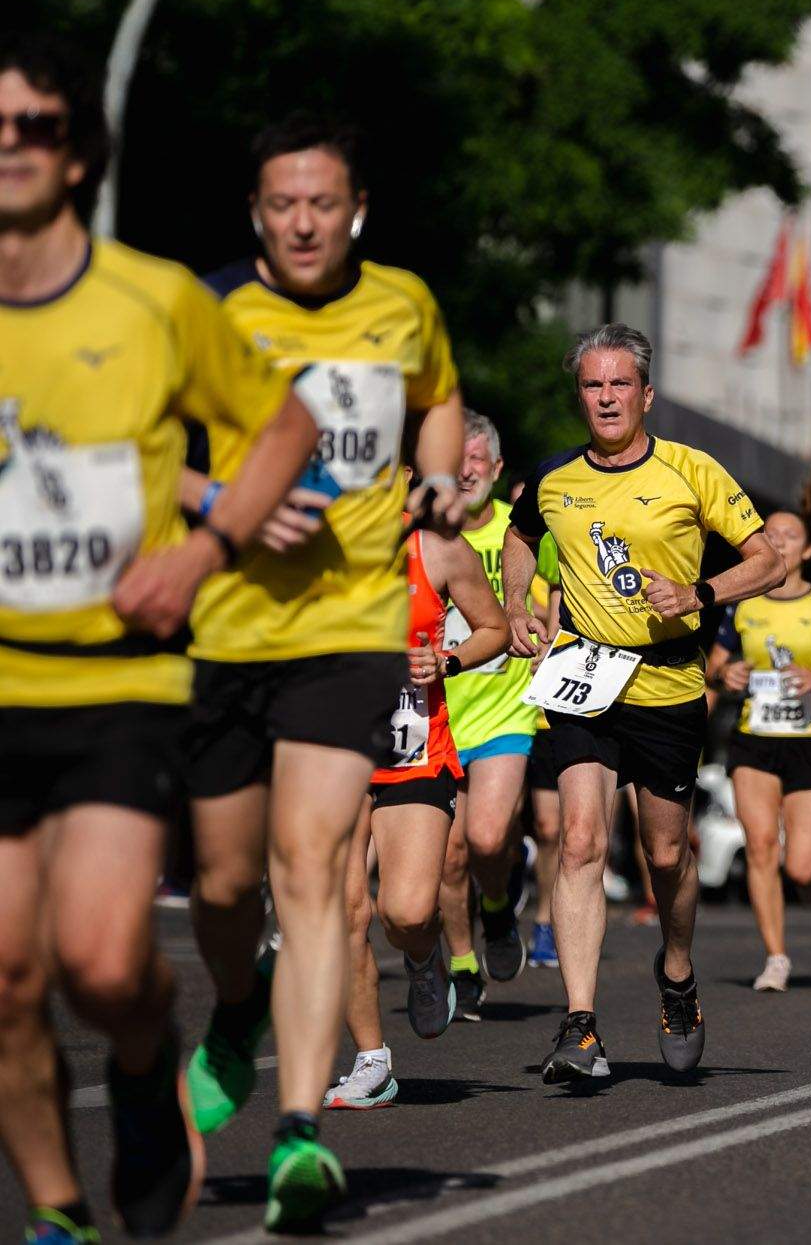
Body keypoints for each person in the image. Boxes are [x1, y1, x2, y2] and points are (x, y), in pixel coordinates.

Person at [0, 34, 315, 1245]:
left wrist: (201, 550)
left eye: (37, 125)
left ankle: (145, 1048)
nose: (15, 145)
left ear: (77, 153)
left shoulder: (153, 299)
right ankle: (57, 1211)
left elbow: (281, 428)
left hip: (116, 684)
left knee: (91, 958)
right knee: (7, 982)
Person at [182, 114, 466, 1230]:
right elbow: (143, 443)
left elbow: (438, 396)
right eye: (282, 204)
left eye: (324, 204)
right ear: (257, 213)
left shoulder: (401, 304)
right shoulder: (209, 311)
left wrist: (439, 480)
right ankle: (234, 1003)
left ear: (355, 212)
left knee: (312, 872)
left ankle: (299, 1131)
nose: (304, 222)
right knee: (220, 885)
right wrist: (227, 503)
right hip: (230, 625)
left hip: (352, 625)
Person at [502, 322, 783, 1083]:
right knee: (583, 839)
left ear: (647, 394)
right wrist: (518, 602)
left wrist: (699, 591)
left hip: (667, 682)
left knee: (666, 853)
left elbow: (767, 557)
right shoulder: (555, 476)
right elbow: (520, 535)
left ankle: (679, 974)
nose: (606, 397)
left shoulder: (692, 469)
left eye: (619, 383)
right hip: (584, 678)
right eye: (593, 385)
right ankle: (581, 1025)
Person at [327, 519, 507, 1110]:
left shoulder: (438, 550)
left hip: (413, 756)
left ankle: (424, 955)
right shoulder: (312, 539)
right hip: (334, 753)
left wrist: (447, 661)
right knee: (344, 911)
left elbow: (494, 628)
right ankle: (372, 1060)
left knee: (403, 912)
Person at [708, 478, 811, 991]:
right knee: (761, 845)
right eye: (770, 533)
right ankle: (775, 958)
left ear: (808, 549)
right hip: (755, 736)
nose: (779, 540)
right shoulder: (743, 603)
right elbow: (715, 666)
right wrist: (727, 676)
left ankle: (809, 885)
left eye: (789, 535)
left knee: (803, 866)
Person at [438, 413, 547, 1010]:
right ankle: (460, 960)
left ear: (497, 469)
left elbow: (559, 594)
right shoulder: (423, 535)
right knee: (447, 853)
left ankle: (499, 907)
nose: (463, 470)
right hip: (439, 714)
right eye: (454, 459)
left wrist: (549, 640)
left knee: (484, 839)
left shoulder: (522, 530)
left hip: (506, 712)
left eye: (475, 459)